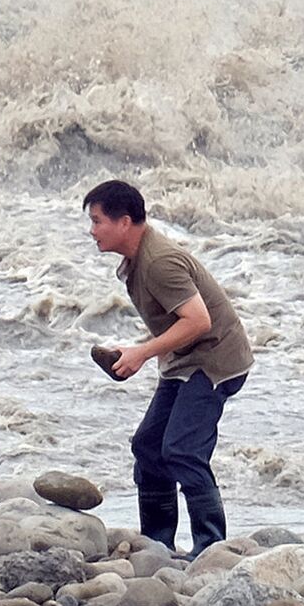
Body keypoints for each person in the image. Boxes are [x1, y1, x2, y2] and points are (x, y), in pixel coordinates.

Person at [83, 179, 253, 558]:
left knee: (182, 450)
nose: (91, 231)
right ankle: (157, 543)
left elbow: (198, 321)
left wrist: (142, 353)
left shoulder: (159, 262)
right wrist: (140, 352)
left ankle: (211, 549)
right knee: (148, 446)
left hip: (215, 360)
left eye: (97, 221)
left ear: (124, 222)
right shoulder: (137, 258)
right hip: (185, 359)